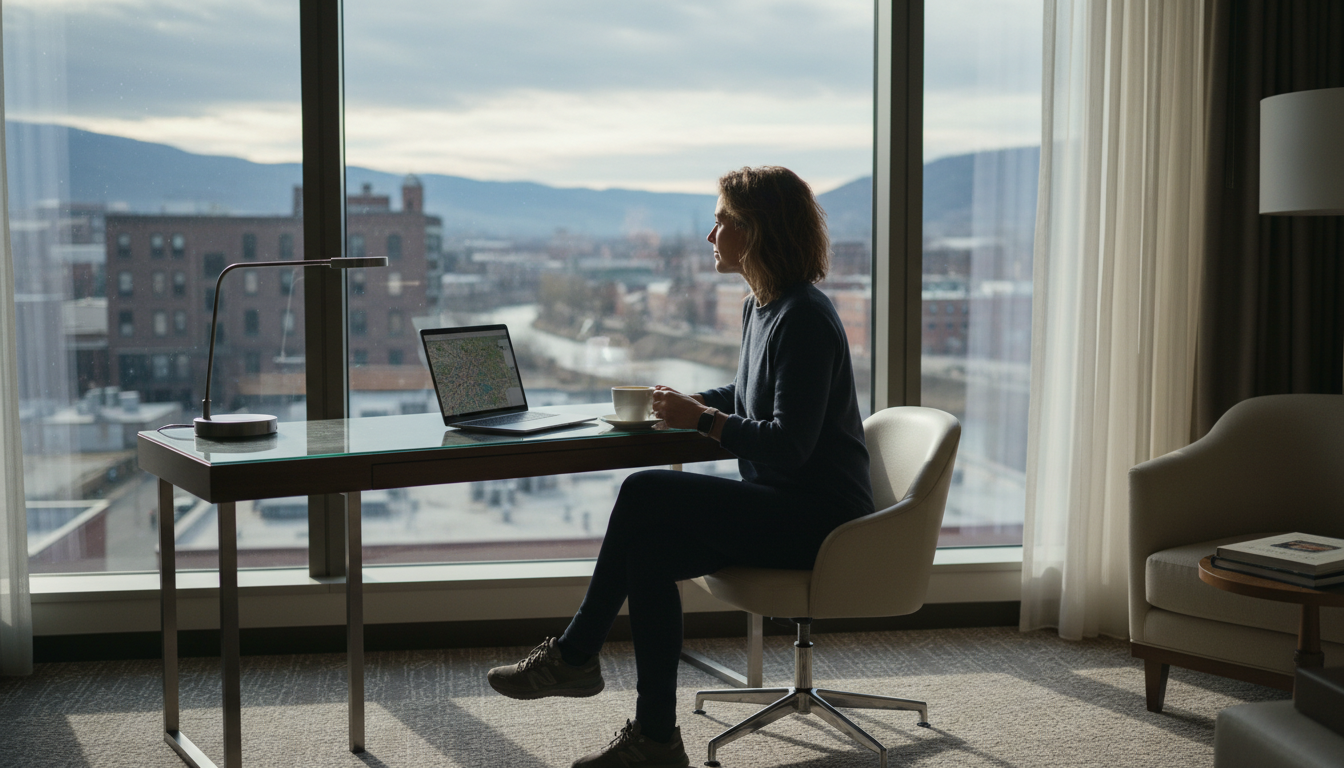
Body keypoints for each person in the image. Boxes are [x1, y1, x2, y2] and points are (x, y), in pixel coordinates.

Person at [486, 165, 874, 768]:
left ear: (757, 231)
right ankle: (657, 740)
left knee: (643, 491)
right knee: (651, 553)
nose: (710, 234)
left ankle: (575, 654)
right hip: (781, 502)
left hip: (821, 519)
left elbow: (790, 445)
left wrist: (701, 422)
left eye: (721, 221)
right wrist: (688, 406)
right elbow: (752, 399)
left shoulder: (805, 317)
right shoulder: (761, 307)